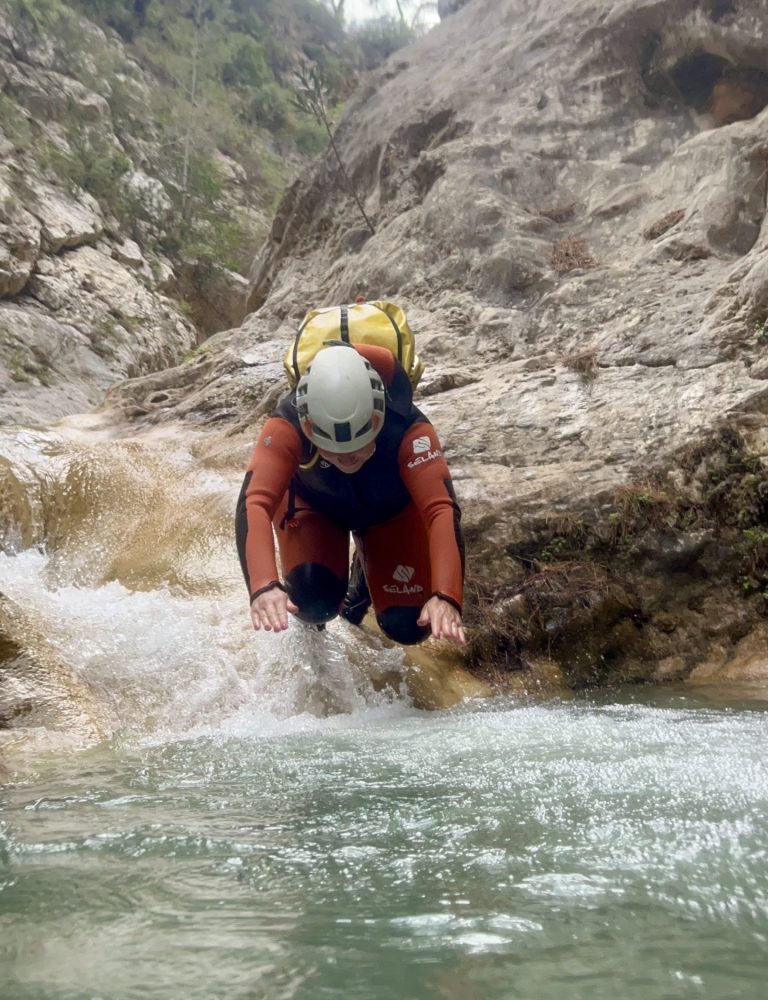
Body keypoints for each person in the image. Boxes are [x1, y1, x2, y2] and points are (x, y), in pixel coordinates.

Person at [236, 340, 466, 646]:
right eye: (333, 449)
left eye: (359, 445)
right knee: (312, 605)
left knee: (408, 625)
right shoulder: (287, 425)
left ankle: (363, 577)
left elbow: (441, 509)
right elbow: (254, 501)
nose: (347, 459)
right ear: (308, 425)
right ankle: (319, 624)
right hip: (315, 508)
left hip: (391, 514)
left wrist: (446, 596)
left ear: (378, 418)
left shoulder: (408, 429)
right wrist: (264, 585)